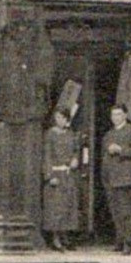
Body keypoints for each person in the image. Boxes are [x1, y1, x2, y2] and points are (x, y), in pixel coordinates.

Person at [101, 105, 131, 254]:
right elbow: (104, 156)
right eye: (113, 115)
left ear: (125, 115)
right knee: (115, 211)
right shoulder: (108, 134)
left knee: (125, 211)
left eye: (119, 114)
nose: (115, 118)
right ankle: (119, 240)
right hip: (111, 177)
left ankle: (128, 242)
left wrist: (121, 150)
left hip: (125, 177)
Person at [42, 108, 82, 251]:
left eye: (62, 118)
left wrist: (76, 159)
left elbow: (76, 150)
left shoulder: (71, 134)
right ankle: (55, 238)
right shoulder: (50, 134)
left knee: (68, 206)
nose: (59, 120)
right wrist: (49, 175)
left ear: (66, 119)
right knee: (55, 207)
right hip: (55, 174)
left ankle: (65, 236)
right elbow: (46, 155)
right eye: (57, 118)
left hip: (68, 174)